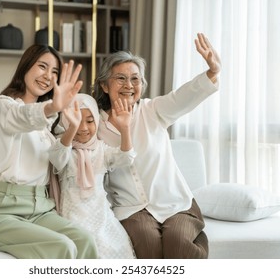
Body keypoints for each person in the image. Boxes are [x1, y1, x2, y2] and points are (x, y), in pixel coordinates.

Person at [92, 33, 221, 259]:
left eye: (135, 79)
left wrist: (212, 72)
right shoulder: (95, 125)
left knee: (178, 243)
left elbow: (183, 96)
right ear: (104, 85)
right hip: (131, 209)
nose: (129, 85)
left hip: (175, 204)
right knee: (147, 244)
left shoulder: (153, 110)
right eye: (120, 78)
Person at [0, 45, 98, 259]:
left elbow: (59, 163)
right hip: (2, 213)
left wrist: (71, 129)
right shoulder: (3, 106)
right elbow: (22, 116)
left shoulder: (46, 128)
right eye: (42, 66)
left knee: (86, 241)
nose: (48, 76)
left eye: (55, 72)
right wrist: (51, 108)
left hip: (41, 209)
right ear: (26, 66)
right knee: (63, 247)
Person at [48, 93, 136, 259]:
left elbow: (126, 158)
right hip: (72, 215)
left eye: (89, 121)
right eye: (76, 121)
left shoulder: (101, 149)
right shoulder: (63, 147)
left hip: (102, 215)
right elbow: (56, 159)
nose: (83, 128)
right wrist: (71, 129)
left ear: (96, 120)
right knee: (84, 248)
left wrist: (125, 129)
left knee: (116, 248)